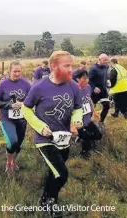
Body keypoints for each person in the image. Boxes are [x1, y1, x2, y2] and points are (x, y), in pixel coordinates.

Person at [21, 51, 83, 217]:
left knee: (54, 172)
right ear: (54, 66)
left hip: (64, 138)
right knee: (62, 174)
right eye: (67, 66)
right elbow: (25, 109)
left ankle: (45, 201)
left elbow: (78, 108)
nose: (71, 69)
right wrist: (40, 126)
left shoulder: (73, 86)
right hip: (45, 139)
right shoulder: (40, 87)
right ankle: (50, 206)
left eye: (72, 65)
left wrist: (77, 121)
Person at [0, 60, 31, 175]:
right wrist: (9, 105)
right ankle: (9, 162)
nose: (17, 74)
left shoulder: (26, 84)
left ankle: (14, 161)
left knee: (19, 144)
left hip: (21, 119)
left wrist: (23, 104)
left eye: (19, 71)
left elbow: (31, 99)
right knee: (12, 142)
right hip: (7, 118)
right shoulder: (3, 84)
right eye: (15, 71)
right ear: (9, 71)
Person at [73, 69, 103, 159]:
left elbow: (89, 99)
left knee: (98, 135)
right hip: (79, 121)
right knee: (87, 137)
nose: (87, 80)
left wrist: (94, 111)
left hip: (87, 119)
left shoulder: (88, 87)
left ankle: (82, 139)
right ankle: (84, 154)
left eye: (87, 78)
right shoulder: (73, 91)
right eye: (84, 78)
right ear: (78, 79)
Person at [88, 54, 110, 124]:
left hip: (103, 90)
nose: (106, 61)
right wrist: (94, 87)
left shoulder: (106, 67)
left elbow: (105, 75)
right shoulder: (93, 69)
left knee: (107, 105)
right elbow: (88, 80)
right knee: (91, 108)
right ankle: (86, 123)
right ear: (99, 59)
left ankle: (101, 121)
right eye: (104, 60)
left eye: (107, 60)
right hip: (94, 92)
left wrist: (107, 80)